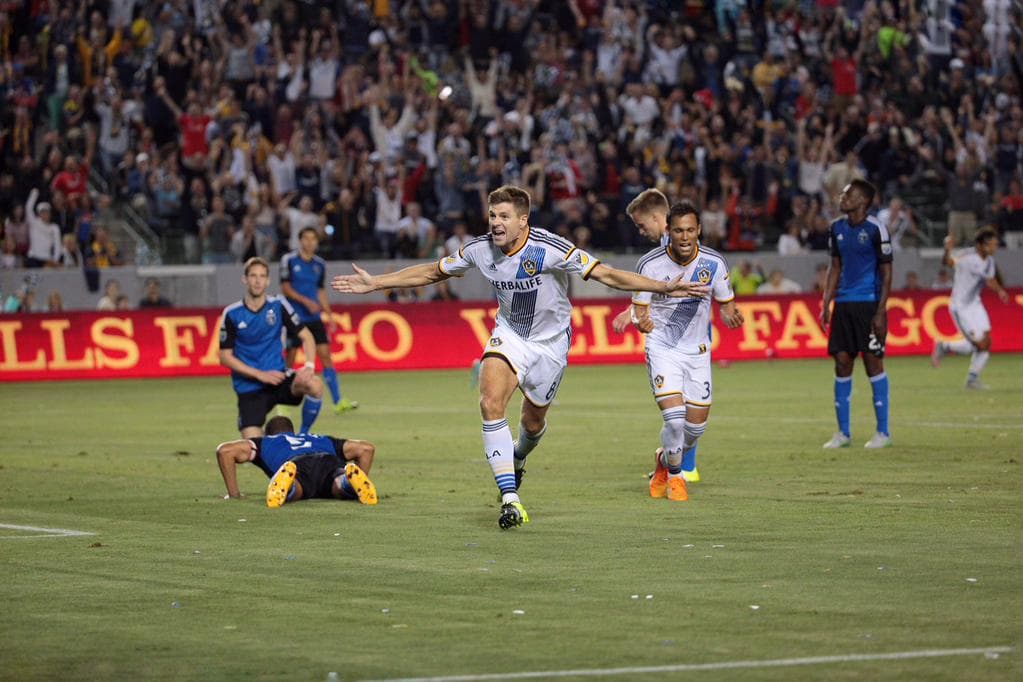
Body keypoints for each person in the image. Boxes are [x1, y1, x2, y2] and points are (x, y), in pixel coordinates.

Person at [331, 185, 707, 529]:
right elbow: (433, 272)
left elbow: (607, 274)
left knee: (532, 422)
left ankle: (519, 458)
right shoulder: (479, 249)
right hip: (510, 335)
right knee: (490, 401)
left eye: (504, 216)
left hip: (551, 344)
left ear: (523, 220)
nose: (496, 223)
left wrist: (663, 287)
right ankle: (510, 498)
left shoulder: (550, 248)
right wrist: (377, 283)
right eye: (493, 215)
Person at [631, 201, 744, 502]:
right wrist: (642, 321)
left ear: (699, 231)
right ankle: (677, 478)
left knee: (694, 430)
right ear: (668, 231)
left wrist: (731, 315)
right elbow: (640, 309)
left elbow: (726, 303)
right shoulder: (650, 265)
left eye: (690, 230)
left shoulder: (714, 263)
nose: (684, 236)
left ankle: (663, 461)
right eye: (678, 230)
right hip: (663, 348)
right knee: (675, 419)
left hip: (697, 352)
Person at [612, 188, 703, 482]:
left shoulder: (679, 242)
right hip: (677, 335)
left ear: (656, 217)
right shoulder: (664, 249)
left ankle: (678, 461)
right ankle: (685, 466)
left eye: (642, 225)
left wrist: (635, 311)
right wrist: (635, 310)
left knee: (692, 409)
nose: (641, 232)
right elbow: (656, 287)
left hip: (689, 332)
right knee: (681, 408)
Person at [819, 180, 893, 450]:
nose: (843, 197)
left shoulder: (876, 229)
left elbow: (886, 273)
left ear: (863, 200)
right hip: (844, 304)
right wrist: (826, 302)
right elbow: (834, 267)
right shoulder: (836, 228)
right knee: (841, 363)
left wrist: (881, 311)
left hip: (868, 304)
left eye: (849, 194)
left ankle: (883, 432)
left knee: (873, 364)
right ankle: (843, 433)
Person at [219, 257, 325, 439]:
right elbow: (225, 357)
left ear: (268, 280)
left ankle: (304, 435)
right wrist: (259, 374)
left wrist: (309, 366)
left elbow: (307, 336)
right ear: (244, 279)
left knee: (314, 384)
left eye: (262, 276)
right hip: (249, 387)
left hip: (278, 378)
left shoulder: (278, 305)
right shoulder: (232, 313)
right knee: (253, 447)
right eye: (253, 275)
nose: (258, 280)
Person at [215, 416, 377, 507]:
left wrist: (234, 494)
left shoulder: (264, 442)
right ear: (293, 431)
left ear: (268, 433)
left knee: (296, 489)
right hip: (328, 460)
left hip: (296, 465)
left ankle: (288, 485)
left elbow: (225, 451)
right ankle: (350, 483)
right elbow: (366, 449)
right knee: (338, 484)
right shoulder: (319, 438)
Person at [281, 227, 358, 414]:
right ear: (300, 241)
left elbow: (320, 291)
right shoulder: (289, 260)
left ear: (317, 242)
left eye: (313, 239)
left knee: (326, 357)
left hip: (314, 318)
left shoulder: (320, 265)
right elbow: (285, 288)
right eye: (306, 238)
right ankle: (282, 403)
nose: (309, 242)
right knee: (290, 359)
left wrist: (329, 314)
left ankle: (338, 401)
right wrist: (306, 301)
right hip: (294, 318)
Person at [931, 228, 1009, 389]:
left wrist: (1000, 291)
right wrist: (947, 249)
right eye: (992, 245)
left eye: (996, 245)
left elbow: (990, 279)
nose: (995, 248)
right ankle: (945, 346)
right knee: (976, 345)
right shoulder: (967, 256)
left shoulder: (989, 261)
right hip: (960, 307)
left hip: (975, 304)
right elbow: (948, 263)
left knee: (986, 342)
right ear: (981, 245)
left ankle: (972, 379)